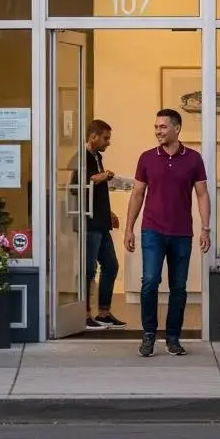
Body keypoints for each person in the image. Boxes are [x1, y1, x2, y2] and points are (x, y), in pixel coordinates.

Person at [125, 108, 211, 358]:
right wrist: (129, 228)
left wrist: (205, 228)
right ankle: (149, 334)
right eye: (156, 127)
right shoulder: (147, 158)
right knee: (150, 281)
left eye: (162, 127)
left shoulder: (194, 158)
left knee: (178, 286)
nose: (158, 132)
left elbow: (202, 194)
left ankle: (173, 337)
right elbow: (138, 194)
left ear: (177, 128)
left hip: (182, 232)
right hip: (152, 230)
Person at [82, 119, 124, 331]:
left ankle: (104, 313)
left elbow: (96, 190)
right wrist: (104, 176)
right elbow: (80, 184)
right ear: (93, 136)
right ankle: (84, 315)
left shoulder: (97, 157)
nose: (108, 143)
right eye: (105, 138)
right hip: (88, 223)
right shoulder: (81, 157)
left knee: (111, 265)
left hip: (101, 221)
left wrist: (108, 212)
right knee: (89, 270)